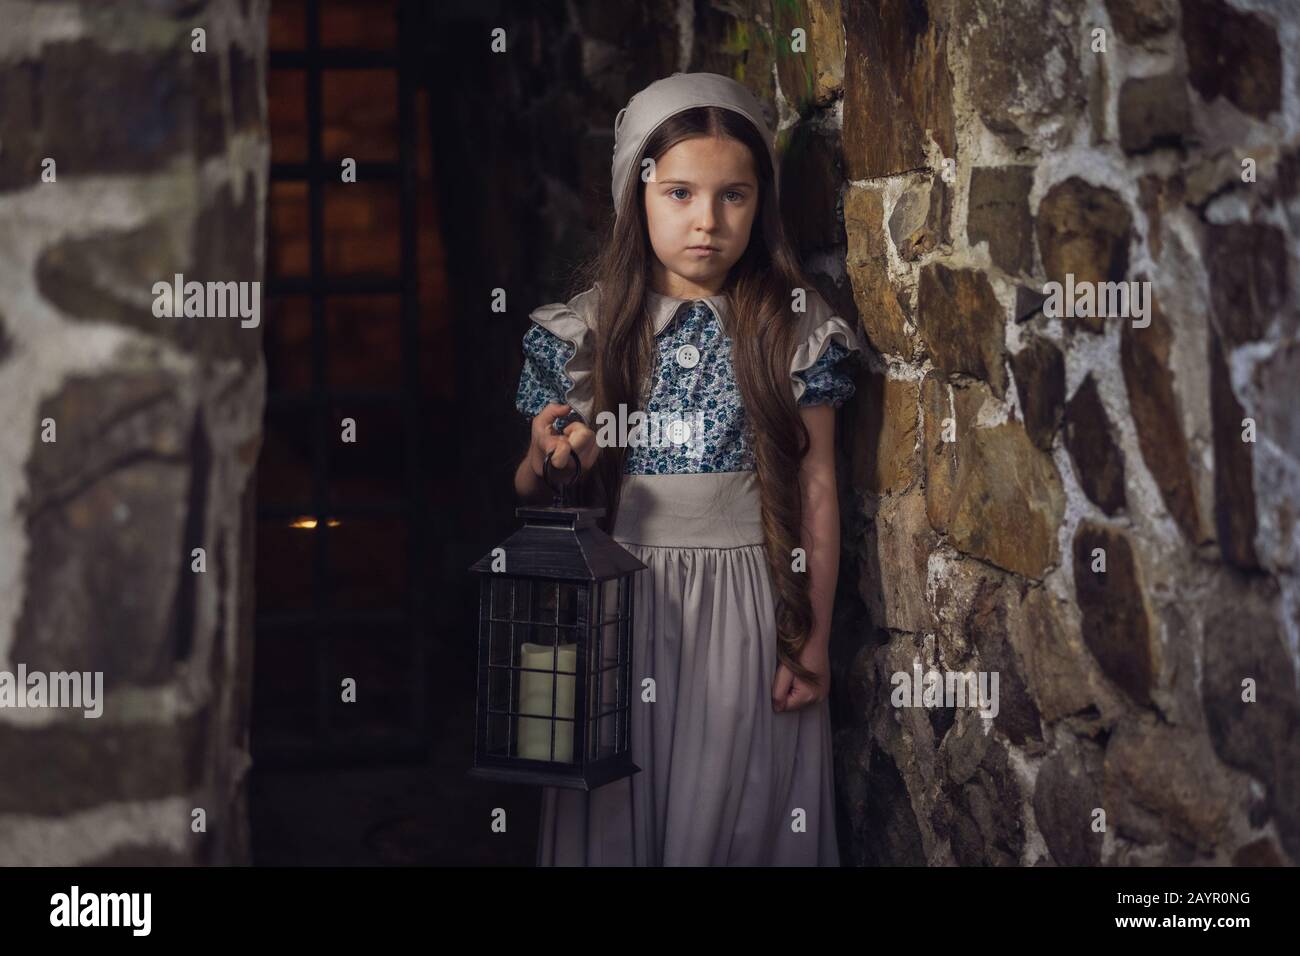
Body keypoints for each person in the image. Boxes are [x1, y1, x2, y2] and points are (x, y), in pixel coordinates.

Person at [511, 72, 861, 866]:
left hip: (746, 601)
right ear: (636, 196)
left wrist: (810, 638)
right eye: (679, 193)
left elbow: (816, 488)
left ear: (759, 204)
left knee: (730, 807)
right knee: (620, 805)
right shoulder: (589, 331)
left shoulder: (791, 327)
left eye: (733, 196)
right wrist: (548, 456)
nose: (707, 221)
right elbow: (529, 489)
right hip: (620, 606)